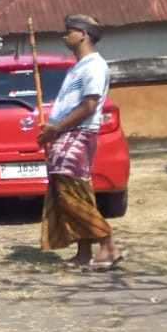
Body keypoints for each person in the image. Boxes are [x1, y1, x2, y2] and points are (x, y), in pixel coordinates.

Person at [38, 14, 124, 270]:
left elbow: (90, 105)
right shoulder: (77, 67)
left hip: (78, 134)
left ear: (84, 34)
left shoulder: (94, 66)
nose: (65, 36)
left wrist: (57, 128)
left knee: (69, 194)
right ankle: (83, 252)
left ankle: (109, 245)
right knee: (72, 193)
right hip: (65, 134)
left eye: (70, 31)